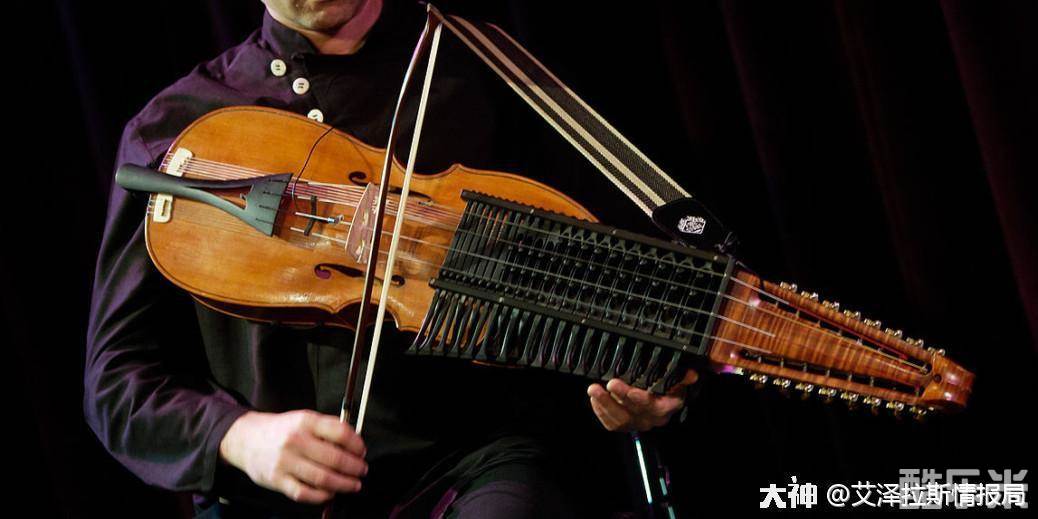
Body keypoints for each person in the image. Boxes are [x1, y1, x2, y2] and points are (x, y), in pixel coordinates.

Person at [84, 1, 697, 516]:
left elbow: (613, 269)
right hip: (273, 501)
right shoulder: (178, 132)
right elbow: (116, 381)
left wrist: (649, 378)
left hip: (482, 465)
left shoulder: (481, 65)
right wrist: (240, 437)